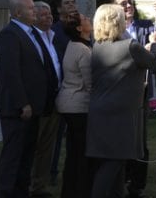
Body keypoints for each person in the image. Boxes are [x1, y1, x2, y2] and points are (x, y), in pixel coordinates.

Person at [86, 4, 156, 197]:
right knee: (115, 161)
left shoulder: (98, 46)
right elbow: (154, 62)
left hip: (100, 110)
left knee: (115, 160)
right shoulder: (130, 46)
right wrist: (154, 43)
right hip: (121, 114)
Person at [0, 0, 57, 198]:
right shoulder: (10, 35)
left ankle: (22, 192)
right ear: (18, 12)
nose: (35, 12)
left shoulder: (32, 34)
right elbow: (10, 73)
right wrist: (23, 103)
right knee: (13, 155)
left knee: (27, 155)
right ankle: (7, 192)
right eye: (31, 9)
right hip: (18, 108)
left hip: (35, 107)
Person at [113, 0, 156, 198]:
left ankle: (137, 184)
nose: (128, 6)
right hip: (119, 92)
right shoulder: (111, 30)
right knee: (121, 136)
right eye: (123, 3)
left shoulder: (144, 25)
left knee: (139, 139)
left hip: (141, 91)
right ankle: (121, 178)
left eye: (130, 2)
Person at [55, 13, 93, 198]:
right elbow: (90, 83)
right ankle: (78, 190)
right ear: (79, 28)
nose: (89, 20)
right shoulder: (83, 50)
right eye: (85, 19)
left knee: (74, 152)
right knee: (80, 154)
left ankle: (70, 190)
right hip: (78, 105)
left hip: (69, 104)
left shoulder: (74, 45)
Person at [29, 1, 63, 197]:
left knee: (47, 147)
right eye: (43, 15)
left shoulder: (53, 37)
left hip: (54, 101)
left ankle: (39, 186)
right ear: (34, 17)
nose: (48, 17)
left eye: (49, 14)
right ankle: (28, 183)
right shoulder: (32, 38)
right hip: (38, 103)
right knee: (34, 145)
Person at [50, 0, 78, 185]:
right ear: (59, 9)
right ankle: (51, 171)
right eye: (66, 3)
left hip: (77, 90)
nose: (71, 6)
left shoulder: (78, 29)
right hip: (61, 88)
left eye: (73, 2)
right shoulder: (54, 32)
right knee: (55, 135)